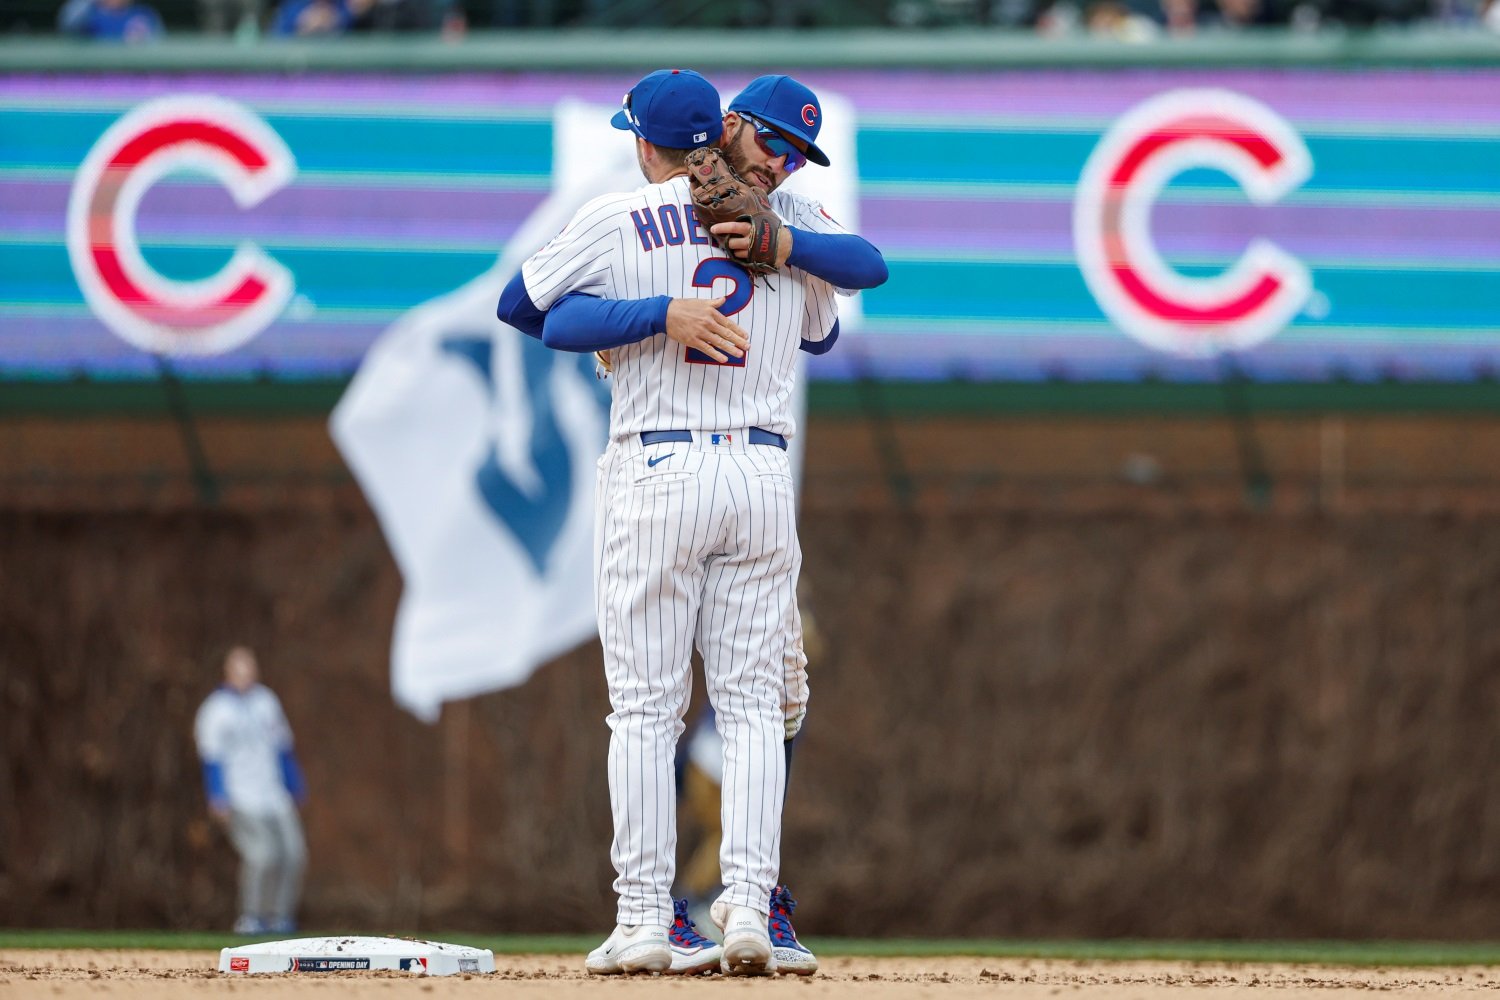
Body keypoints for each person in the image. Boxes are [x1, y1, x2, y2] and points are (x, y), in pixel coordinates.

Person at [498, 70, 884, 976]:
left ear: (643, 141)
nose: (784, 163)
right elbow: (841, 306)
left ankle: (643, 918)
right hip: (758, 469)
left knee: (644, 708)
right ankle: (745, 908)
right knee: (753, 709)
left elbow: (530, 311)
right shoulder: (802, 236)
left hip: (657, 463)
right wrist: (777, 250)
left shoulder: (622, 216)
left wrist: (658, 311)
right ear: (724, 132)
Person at [194, 645, 308, 936]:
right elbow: (212, 758)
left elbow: (283, 747)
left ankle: (280, 919)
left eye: (249, 668)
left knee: (294, 854)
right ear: (228, 672)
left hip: (274, 794)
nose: (245, 675)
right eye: (239, 669)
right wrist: (217, 796)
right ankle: (251, 918)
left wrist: (295, 784)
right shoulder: (215, 710)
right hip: (241, 796)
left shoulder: (266, 701)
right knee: (262, 855)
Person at [57, 0, 164, 41]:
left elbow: (160, 45)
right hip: (93, 73)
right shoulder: (88, 13)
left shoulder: (144, 14)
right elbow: (67, 25)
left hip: (134, 75)